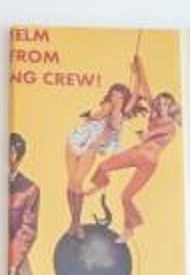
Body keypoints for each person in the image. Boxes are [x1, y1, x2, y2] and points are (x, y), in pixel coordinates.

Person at [89, 88, 180, 239]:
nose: (161, 106)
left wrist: (145, 135)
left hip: (149, 162)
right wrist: (139, 73)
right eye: (159, 103)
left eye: (165, 104)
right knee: (103, 166)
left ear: (171, 107)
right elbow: (146, 87)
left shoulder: (170, 126)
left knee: (126, 197)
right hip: (136, 152)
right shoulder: (154, 115)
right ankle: (99, 186)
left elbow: (151, 135)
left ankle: (129, 229)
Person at [65, 80, 135, 232]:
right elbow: (96, 116)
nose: (115, 99)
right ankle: (75, 223)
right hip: (77, 138)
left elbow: (135, 95)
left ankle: (75, 223)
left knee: (77, 183)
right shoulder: (107, 106)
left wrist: (139, 71)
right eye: (113, 95)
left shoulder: (120, 115)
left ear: (124, 100)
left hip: (91, 146)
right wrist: (96, 113)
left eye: (120, 97)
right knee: (71, 183)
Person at [6, 130, 45, 275]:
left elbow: (27, 231)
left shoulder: (30, 189)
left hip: (16, 255)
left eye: (11, 154)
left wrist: (13, 265)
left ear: (17, 158)